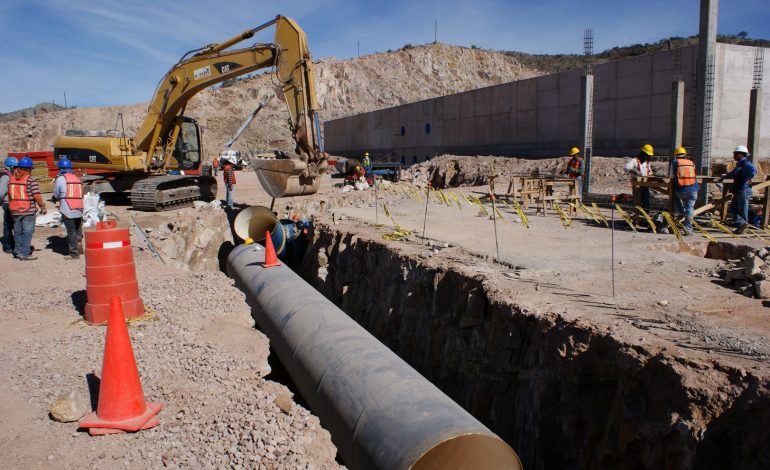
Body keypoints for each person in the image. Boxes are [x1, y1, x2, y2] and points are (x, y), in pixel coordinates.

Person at [3, 157, 47, 260]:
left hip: (14, 210)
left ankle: (17, 252)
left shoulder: (12, 179)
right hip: (28, 210)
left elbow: (9, 195)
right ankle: (25, 253)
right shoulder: (30, 179)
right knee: (27, 232)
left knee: (18, 232)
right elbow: (36, 195)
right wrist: (42, 206)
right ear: (28, 169)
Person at [720, 145, 757, 234]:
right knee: (733, 208)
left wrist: (748, 178)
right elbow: (733, 173)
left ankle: (743, 225)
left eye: (736, 153)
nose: (734, 155)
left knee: (742, 208)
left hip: (743, 189)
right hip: (739, 189)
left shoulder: (746, 163)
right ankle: (741, 223)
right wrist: (724, 177)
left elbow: (753, 170)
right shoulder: (740, 164)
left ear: (741, 154)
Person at [53, 159, 84, 259]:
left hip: (67, 208)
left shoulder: (61, 179)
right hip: (79, 207)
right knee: (77, 229)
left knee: (71, 232)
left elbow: (56, 194)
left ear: (61, 169)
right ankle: (79, 247)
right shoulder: (77, 178)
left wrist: (57, 198)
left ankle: (74, 253)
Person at [669, 147, 699, 235]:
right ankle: (688, 229)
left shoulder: (675, 162)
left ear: (676, 155)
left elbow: (672, 177)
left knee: (675, 198)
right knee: (690, 208)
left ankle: (681, 213)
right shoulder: (691, 162)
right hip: (693, 189)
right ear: (685, 155)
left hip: (681, 189)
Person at [624, 144, 655, 210]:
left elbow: (649, 173)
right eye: (648, 156)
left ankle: (646, 217)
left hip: (645, 185)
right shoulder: (634, 160)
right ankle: (637, 217)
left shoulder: (647, 162)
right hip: (637, 186)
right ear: (643, 154)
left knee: (646, 202)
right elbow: (626, 168)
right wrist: (633, 170)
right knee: (638, 202)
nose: (649, 157)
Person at [0, 156, 17, 253]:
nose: (15, 169)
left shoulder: (11, 176)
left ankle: (13, 244)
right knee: (8, 225)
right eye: (14, 167)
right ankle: (7, 246)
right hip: (7, 204)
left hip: (13, 203)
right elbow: (1, 192)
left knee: (13, 225)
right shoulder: (6, 177)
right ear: (10, 167)